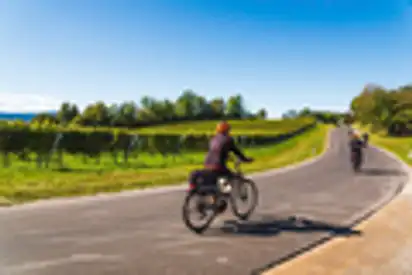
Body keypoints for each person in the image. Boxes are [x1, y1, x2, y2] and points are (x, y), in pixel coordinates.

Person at [189, 121, 253, 193]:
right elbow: (237, 152)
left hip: (207, 165)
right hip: (218, 167)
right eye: (229, 130)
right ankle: (225, 193)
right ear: (227, 130)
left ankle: (216, 200)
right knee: (231, 177)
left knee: (217, 180)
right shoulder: (228, 139)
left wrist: (228, 157)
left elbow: (217, 151)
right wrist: (246, 159)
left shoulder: (213, 139)